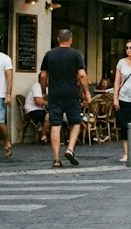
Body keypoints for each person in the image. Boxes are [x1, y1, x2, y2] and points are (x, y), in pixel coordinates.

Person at [40, 29, 91, 167]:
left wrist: (44, 91)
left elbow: (43, 76)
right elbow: (81, 75)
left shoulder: (49, 54)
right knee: (75, 122)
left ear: (58, 39)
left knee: (55, 124)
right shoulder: (76, 54)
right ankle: (70, 149)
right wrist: (86, 92)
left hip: (55, 93)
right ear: (71, 39)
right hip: (71, 93)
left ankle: (56, 159)